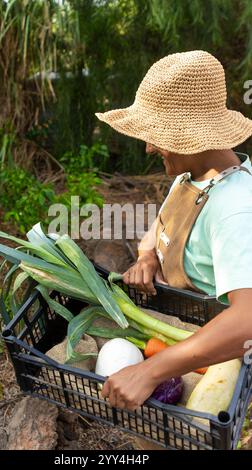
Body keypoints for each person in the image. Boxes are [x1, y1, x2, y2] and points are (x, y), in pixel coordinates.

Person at [95, 50, 252, 411]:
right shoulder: (190, 177)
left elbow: (246, 320)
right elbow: (159, 229)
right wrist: (148, 257)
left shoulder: (235, 209)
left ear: (192, 137)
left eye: (156, 135)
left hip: (219, 346)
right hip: (181, 320)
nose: (149, 146)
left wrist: (150, 372)